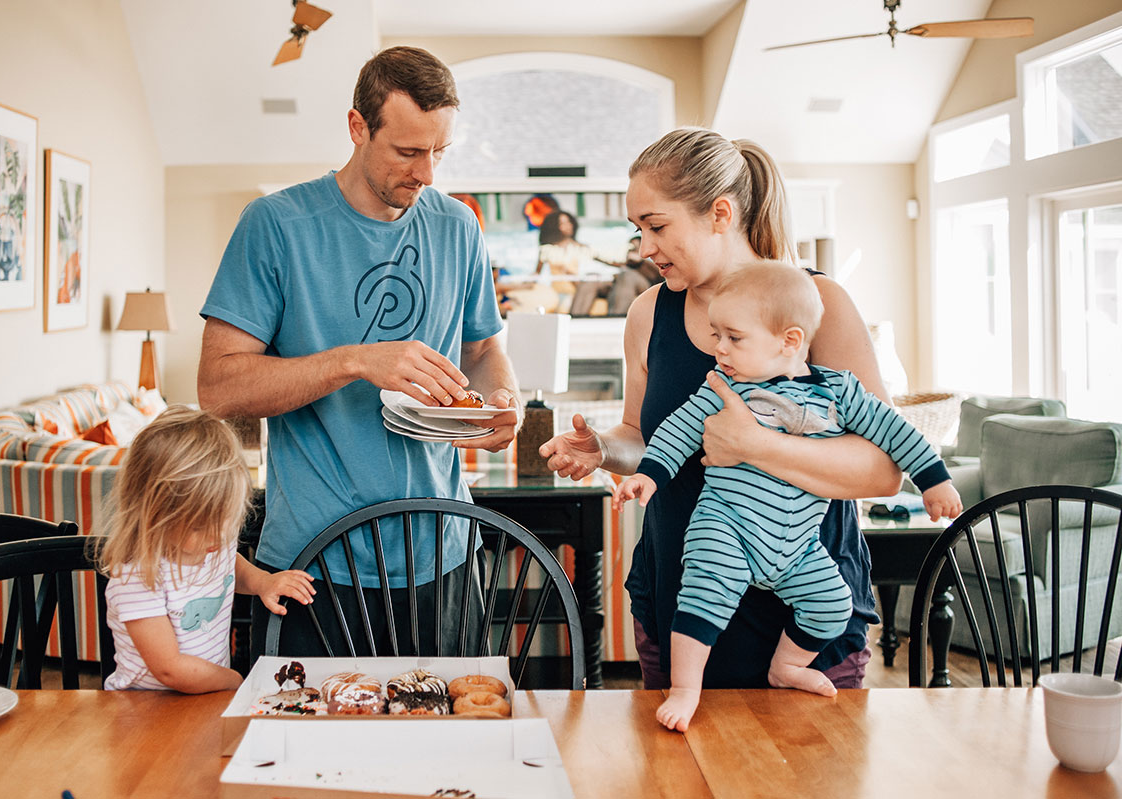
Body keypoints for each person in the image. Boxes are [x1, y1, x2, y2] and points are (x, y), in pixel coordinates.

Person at [540, 127, 904, 694]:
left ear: (720, 213)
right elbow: (643, 434)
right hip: (681, 603)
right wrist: (605, 450)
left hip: (804, 615)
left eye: (657, 226)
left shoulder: (816, 304)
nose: (644, 249)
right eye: (639, 230)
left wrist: (756, 445)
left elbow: (882, 470)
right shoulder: (647, 314)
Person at [197, 46, 520, 657]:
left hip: (444, 551)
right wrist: (353, 360)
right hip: (316, 564)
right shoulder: (275, 224)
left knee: (443, 745)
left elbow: (482, 349)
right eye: (407, 151)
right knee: (317, 747)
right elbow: (218, 388)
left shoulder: (458, 226)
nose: (426, 173)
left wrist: (502, 399)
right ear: (357, 127)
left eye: (438, 152)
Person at [614, 261, 962, 729]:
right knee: (700, 596)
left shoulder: (838, 392)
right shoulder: (722, 387)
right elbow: (675, 432)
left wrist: (935, 480)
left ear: (790, 341)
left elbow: (894, 432)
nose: (719, 349)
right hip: (727, 529)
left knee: (832, 603)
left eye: (733, 338)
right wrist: (649, 477)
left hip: (797, 545)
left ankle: (789, 665)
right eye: (717, 335)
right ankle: (684, 688)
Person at [98, 406, 316, 692]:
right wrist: (236, 680)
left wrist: (263, 582)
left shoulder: (213, 543)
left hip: (204, 696)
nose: (219, 537)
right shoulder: (138, 575)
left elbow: (229, 565)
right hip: (146, 709)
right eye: (200, 526)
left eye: (225, 520)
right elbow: (169, 669)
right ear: (154, 514)